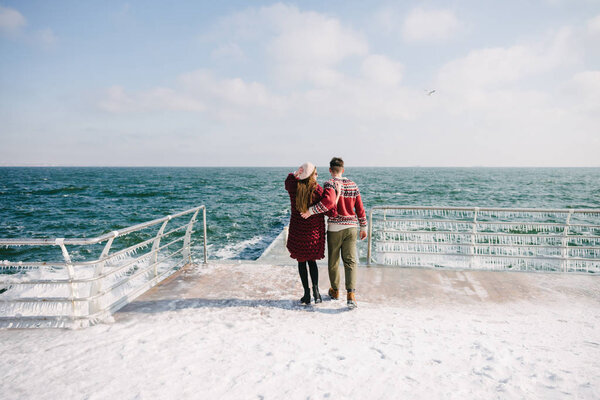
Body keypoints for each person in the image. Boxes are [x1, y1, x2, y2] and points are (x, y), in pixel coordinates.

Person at [301, 157, 367, 309]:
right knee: (350, 261)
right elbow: (360, 208)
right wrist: (363, 227)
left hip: (335, 228)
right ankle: (351, 295)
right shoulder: (353, 185)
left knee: (334, 261)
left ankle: (335, 291)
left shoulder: (329, 184)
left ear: (330, 170)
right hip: (351, 227)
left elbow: (326, 204)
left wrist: (310, 211)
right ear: (343, 170)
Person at [285, 162, 340, 305]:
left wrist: (296, 174)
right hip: (313, 234)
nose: (317, 176)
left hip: (297, 233)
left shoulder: (294, 187)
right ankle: (316, 292)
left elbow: (288, 181)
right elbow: (331, 211)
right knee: (312, 262)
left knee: (301, 263)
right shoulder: (317, 190)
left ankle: (306, 294)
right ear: (311, 175)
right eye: (315, 173)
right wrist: (337, 195)